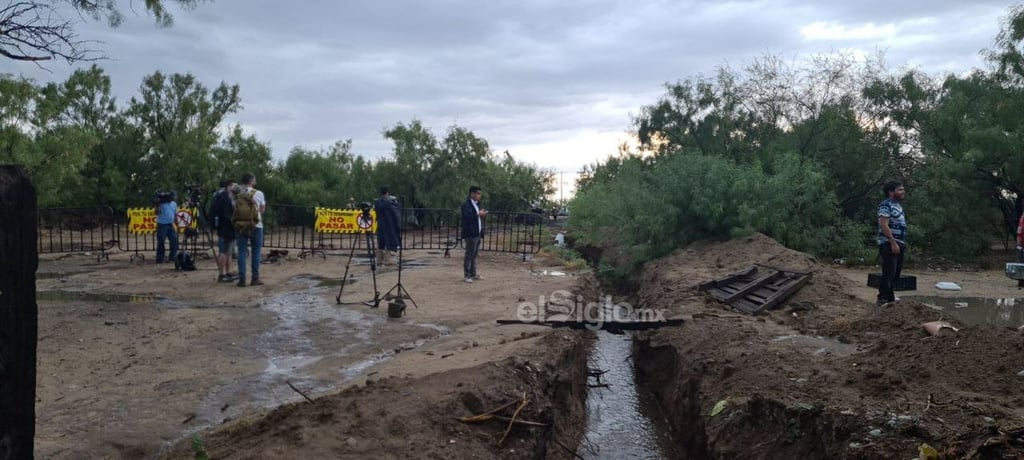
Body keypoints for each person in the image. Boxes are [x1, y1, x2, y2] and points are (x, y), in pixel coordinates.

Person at [877, 181, 907, 306]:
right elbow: (883, 224)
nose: (903, 191)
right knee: (889, 271)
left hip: (900, 242)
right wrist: (892, 242)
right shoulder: (886, 205)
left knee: (896, 273)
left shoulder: (898, 206)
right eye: (900, 189)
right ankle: (883, 298)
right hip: (889, 243)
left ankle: (891, 298)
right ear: (891, 192)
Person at [235, 173, 266, 287]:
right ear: (251, 181)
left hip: (241, 225)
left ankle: (242, 279)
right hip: (256, 225)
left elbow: (235, 209)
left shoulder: (238, 194)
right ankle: (255, 279)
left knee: (242, 252)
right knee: (256, 252)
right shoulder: (259, 193)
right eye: (254, 179)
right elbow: (262, 210)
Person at [210, 180, 238, 282]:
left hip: (225, 228)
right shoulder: (225, 198)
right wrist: (234, 223)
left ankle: (227, 272)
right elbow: (227, 215)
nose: (235, 188)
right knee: (224, 252)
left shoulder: (221, 196)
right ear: (229, 186)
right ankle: (222, 274)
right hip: (226, 228)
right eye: (234, 185)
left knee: (228, 252)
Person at [460, 186, 487, 283]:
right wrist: (478, 214)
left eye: (480, 193)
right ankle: (467, 275)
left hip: (477, 233)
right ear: (472, 194)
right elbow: (467, 218)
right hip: (470, 233)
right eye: (478, 193)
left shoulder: (477, 204)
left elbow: (477, 217)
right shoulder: (466, 205)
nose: (479, 195)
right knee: (469, 254)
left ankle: (473, 273)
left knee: (474, 255)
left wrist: (481, 215)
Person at [375, 186, 402, 266]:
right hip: (389, 224)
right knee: (389, 242)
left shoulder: (378, 202)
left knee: (380, 242)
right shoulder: (389, 202)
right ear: (387, 192)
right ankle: (387, 260)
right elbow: (395, 212)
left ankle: (379, 260)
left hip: (380, 224)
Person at [154, 191, 178, 264]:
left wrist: (177, 224)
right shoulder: (161, 204)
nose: (174, 198)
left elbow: (175, 214)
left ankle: (172, 257)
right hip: (162, 225)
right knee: (161, 242)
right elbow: (156, 212)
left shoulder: (174, 204)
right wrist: (158, 204)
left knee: (174, 240)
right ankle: (160, 258)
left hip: (171, 224)